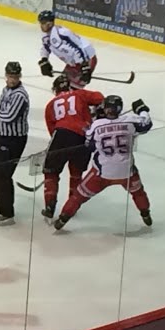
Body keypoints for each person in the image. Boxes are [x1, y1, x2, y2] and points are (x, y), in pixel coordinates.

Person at [52, 95, 153, 231]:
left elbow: (90, 145)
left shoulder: (96, 125)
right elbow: (147, 124)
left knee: (78, 195)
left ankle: (63, 218)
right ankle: (145, 214)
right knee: (138, 192)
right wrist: (142, 109)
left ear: (105, 109)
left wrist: (100, 121)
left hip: (102, 173)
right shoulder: (131, 121)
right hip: (126, 172)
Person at [41, 74, 105, 220]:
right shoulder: (79, 94)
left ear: (55, 89)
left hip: (61, 135)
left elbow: (52, 131)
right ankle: (71, 206)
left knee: (51, 172)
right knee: (76, 173)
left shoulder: (50, 105)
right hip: (84, 137)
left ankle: (50, 206)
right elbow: (100, 97)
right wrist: (97, 112)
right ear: (69, 86)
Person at [0, 61, 30, 225]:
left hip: (13, 140)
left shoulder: (20, 95)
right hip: (2, 136)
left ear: (19, 76)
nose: (12, 79)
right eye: (10, 76)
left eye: (15, 76)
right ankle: (2, 201)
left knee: (1, 174)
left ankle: (7, 212)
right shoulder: (6, 90)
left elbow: (10, 116)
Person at [37, 9, 98, 88]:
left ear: (50, 24)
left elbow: (78, 48)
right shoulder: (46, 34)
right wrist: (44, 60)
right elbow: (46, 47)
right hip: (73, 62)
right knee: (61, 86)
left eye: (42, 23)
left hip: (86, 59)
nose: (41, 25)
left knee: (73, 89)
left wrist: (85, 67)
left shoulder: (63, 33)